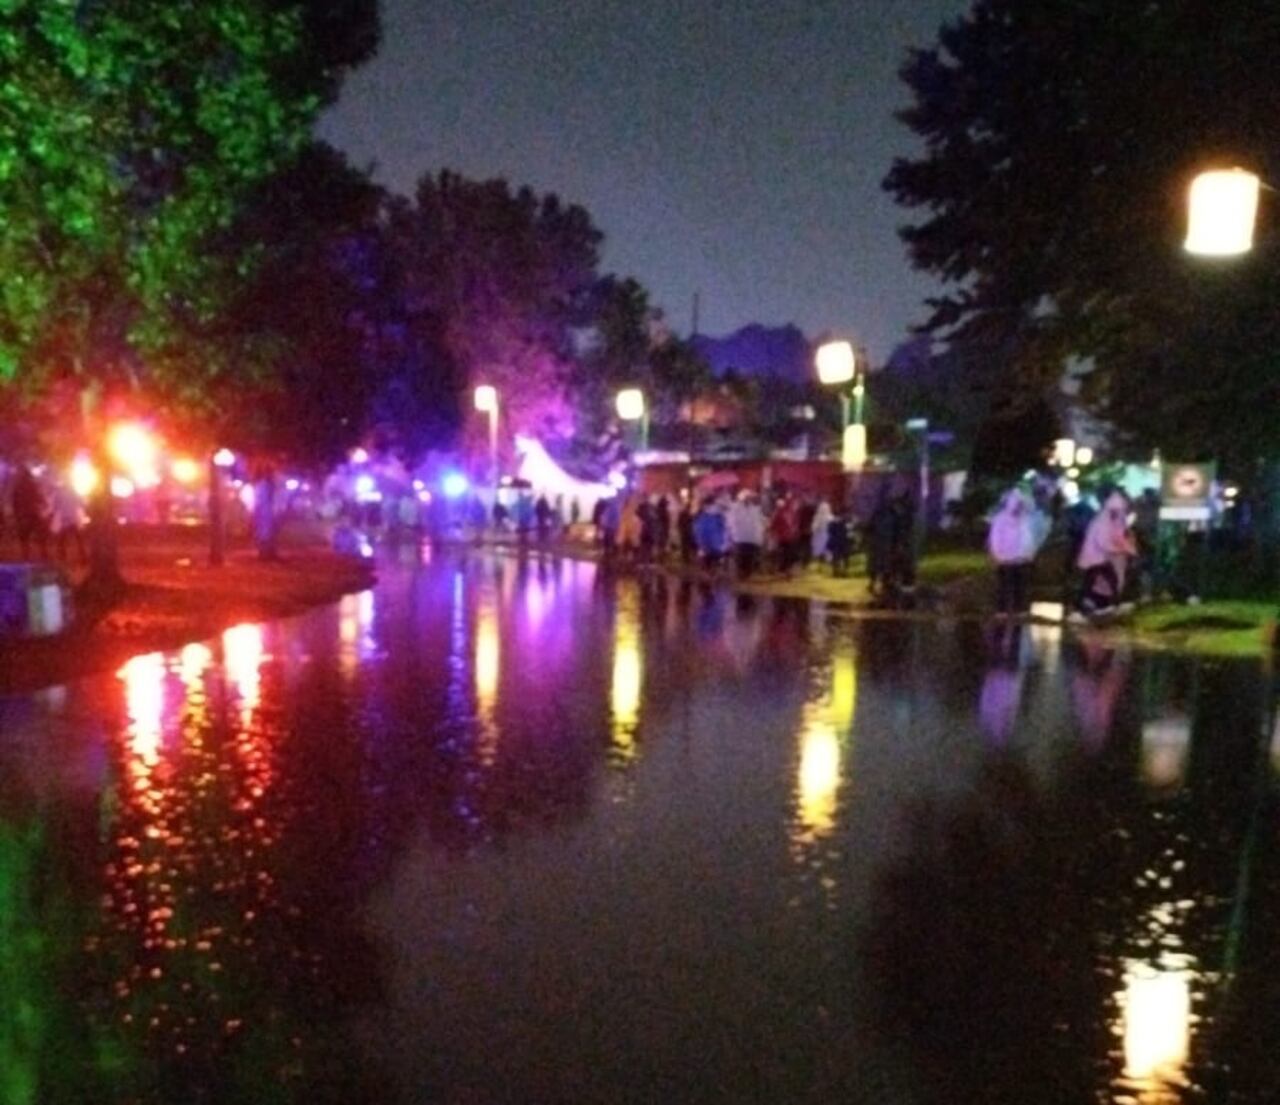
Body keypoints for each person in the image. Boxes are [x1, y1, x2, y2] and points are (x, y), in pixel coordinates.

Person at [1075, 489, 1136, 618]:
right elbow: (1104, 541)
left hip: (1097, 558)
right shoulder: (1103, 522)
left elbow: (1117, 537)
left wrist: (1127, 548)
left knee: (1094, 581)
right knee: (1108, 579)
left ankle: (1090, 605)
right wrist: (1122, 549)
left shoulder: (1107, 520)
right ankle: (1113, 603)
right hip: (1097, 557)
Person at [986, 488, 1043, 617]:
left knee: (1020, 585)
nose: (1018, 507)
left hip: (1020, 558)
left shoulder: (1024, 520)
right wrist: (997, 554)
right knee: (1004, 585)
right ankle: (1002, 609)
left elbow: (1028, 538)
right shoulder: (1000, 519)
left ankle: (1020, 609)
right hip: (1005, 558)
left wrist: (1029, 553)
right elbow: (995, 538)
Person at [11, 465, 48, 560]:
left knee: (24, 538)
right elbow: (40, 497)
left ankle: (26, 556)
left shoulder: (17, 487)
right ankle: (44, 554)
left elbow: (14, 502)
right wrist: (44, 505)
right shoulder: (33, 485)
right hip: (34, 512)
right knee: (40, 536)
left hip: (23, 515)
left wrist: (16, 515)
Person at [727, 491, 764, 578]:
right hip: (741, 537)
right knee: (741, 556)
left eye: (749, 499)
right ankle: (742, 572)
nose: (748, 500)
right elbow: (731, 521)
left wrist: (759, 535)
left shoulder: (755, 509)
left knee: (748, 557)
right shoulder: (736, 508)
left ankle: (746, 573)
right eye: (746, 498)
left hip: (750, 538)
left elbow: (758, 523)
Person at [49, 481, 87, 564]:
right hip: (74, 519)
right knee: (78, 540)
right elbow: (82, 503)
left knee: (62, 540)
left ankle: (62, 557)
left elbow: (55, 506)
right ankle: (83, 557)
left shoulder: (59, 493)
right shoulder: (74, 492)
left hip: (64, 519)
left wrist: (53, 515)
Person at [811, 498, 833, 563]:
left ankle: (824, 561)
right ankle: (818, 561)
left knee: (825, 549)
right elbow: (814, 526)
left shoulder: (829, 517)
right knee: (819, 549)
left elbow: (814, 527)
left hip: (825, 535)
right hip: (820, 535)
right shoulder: (818, 517)